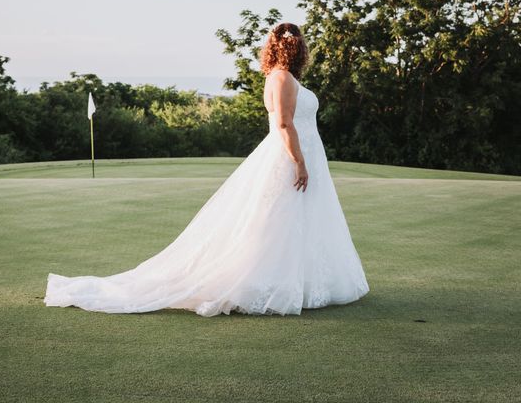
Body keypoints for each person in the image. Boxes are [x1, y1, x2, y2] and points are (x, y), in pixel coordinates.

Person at [44, 22, 370, 317]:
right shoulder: (282, 77)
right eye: (299, 44)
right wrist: (299, 162)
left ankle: (301, 282)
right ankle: (266, 283)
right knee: (276, 221)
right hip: (289, 157)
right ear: (294, 49)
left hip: (302, 155)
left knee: (293, 220)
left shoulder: (283, 77)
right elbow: (283, 123)